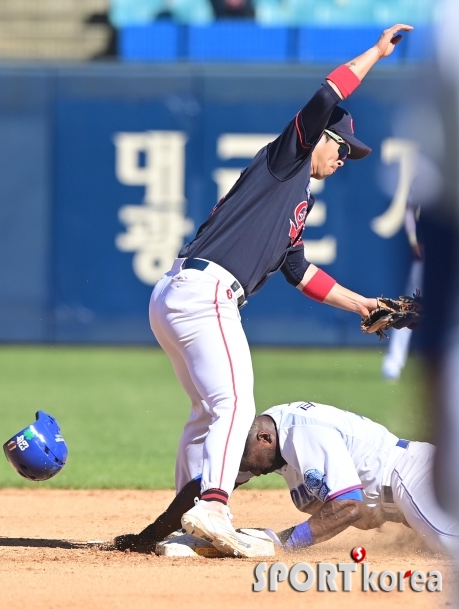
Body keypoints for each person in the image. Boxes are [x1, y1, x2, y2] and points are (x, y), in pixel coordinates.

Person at [149, 24, 414, 558]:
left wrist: (362, 304)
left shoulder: (295, 205)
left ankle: (182, 524)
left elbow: (300, 272)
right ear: (321, 138)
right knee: (236, 402)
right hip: (205, 293)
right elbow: (326, 95)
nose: (344, 160)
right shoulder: (287, 159)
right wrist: (375, 53)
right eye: (343, 148)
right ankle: (215, 507)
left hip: (181, 294)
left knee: (207, 413)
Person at [114, 400, 459, 557]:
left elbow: (349, 506)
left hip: (412, 476)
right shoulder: (269, 442)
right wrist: (148, 536)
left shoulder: (299, 432)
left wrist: (283, 543)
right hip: (404, 496)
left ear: (264, 439)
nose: (248, 471)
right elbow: (202, 488)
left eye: (244, 460)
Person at [382, 196, 423, 381]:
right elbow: (411, 206)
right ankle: (393, 363)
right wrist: (413, 237)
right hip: (435, 248)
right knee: (411, 308)